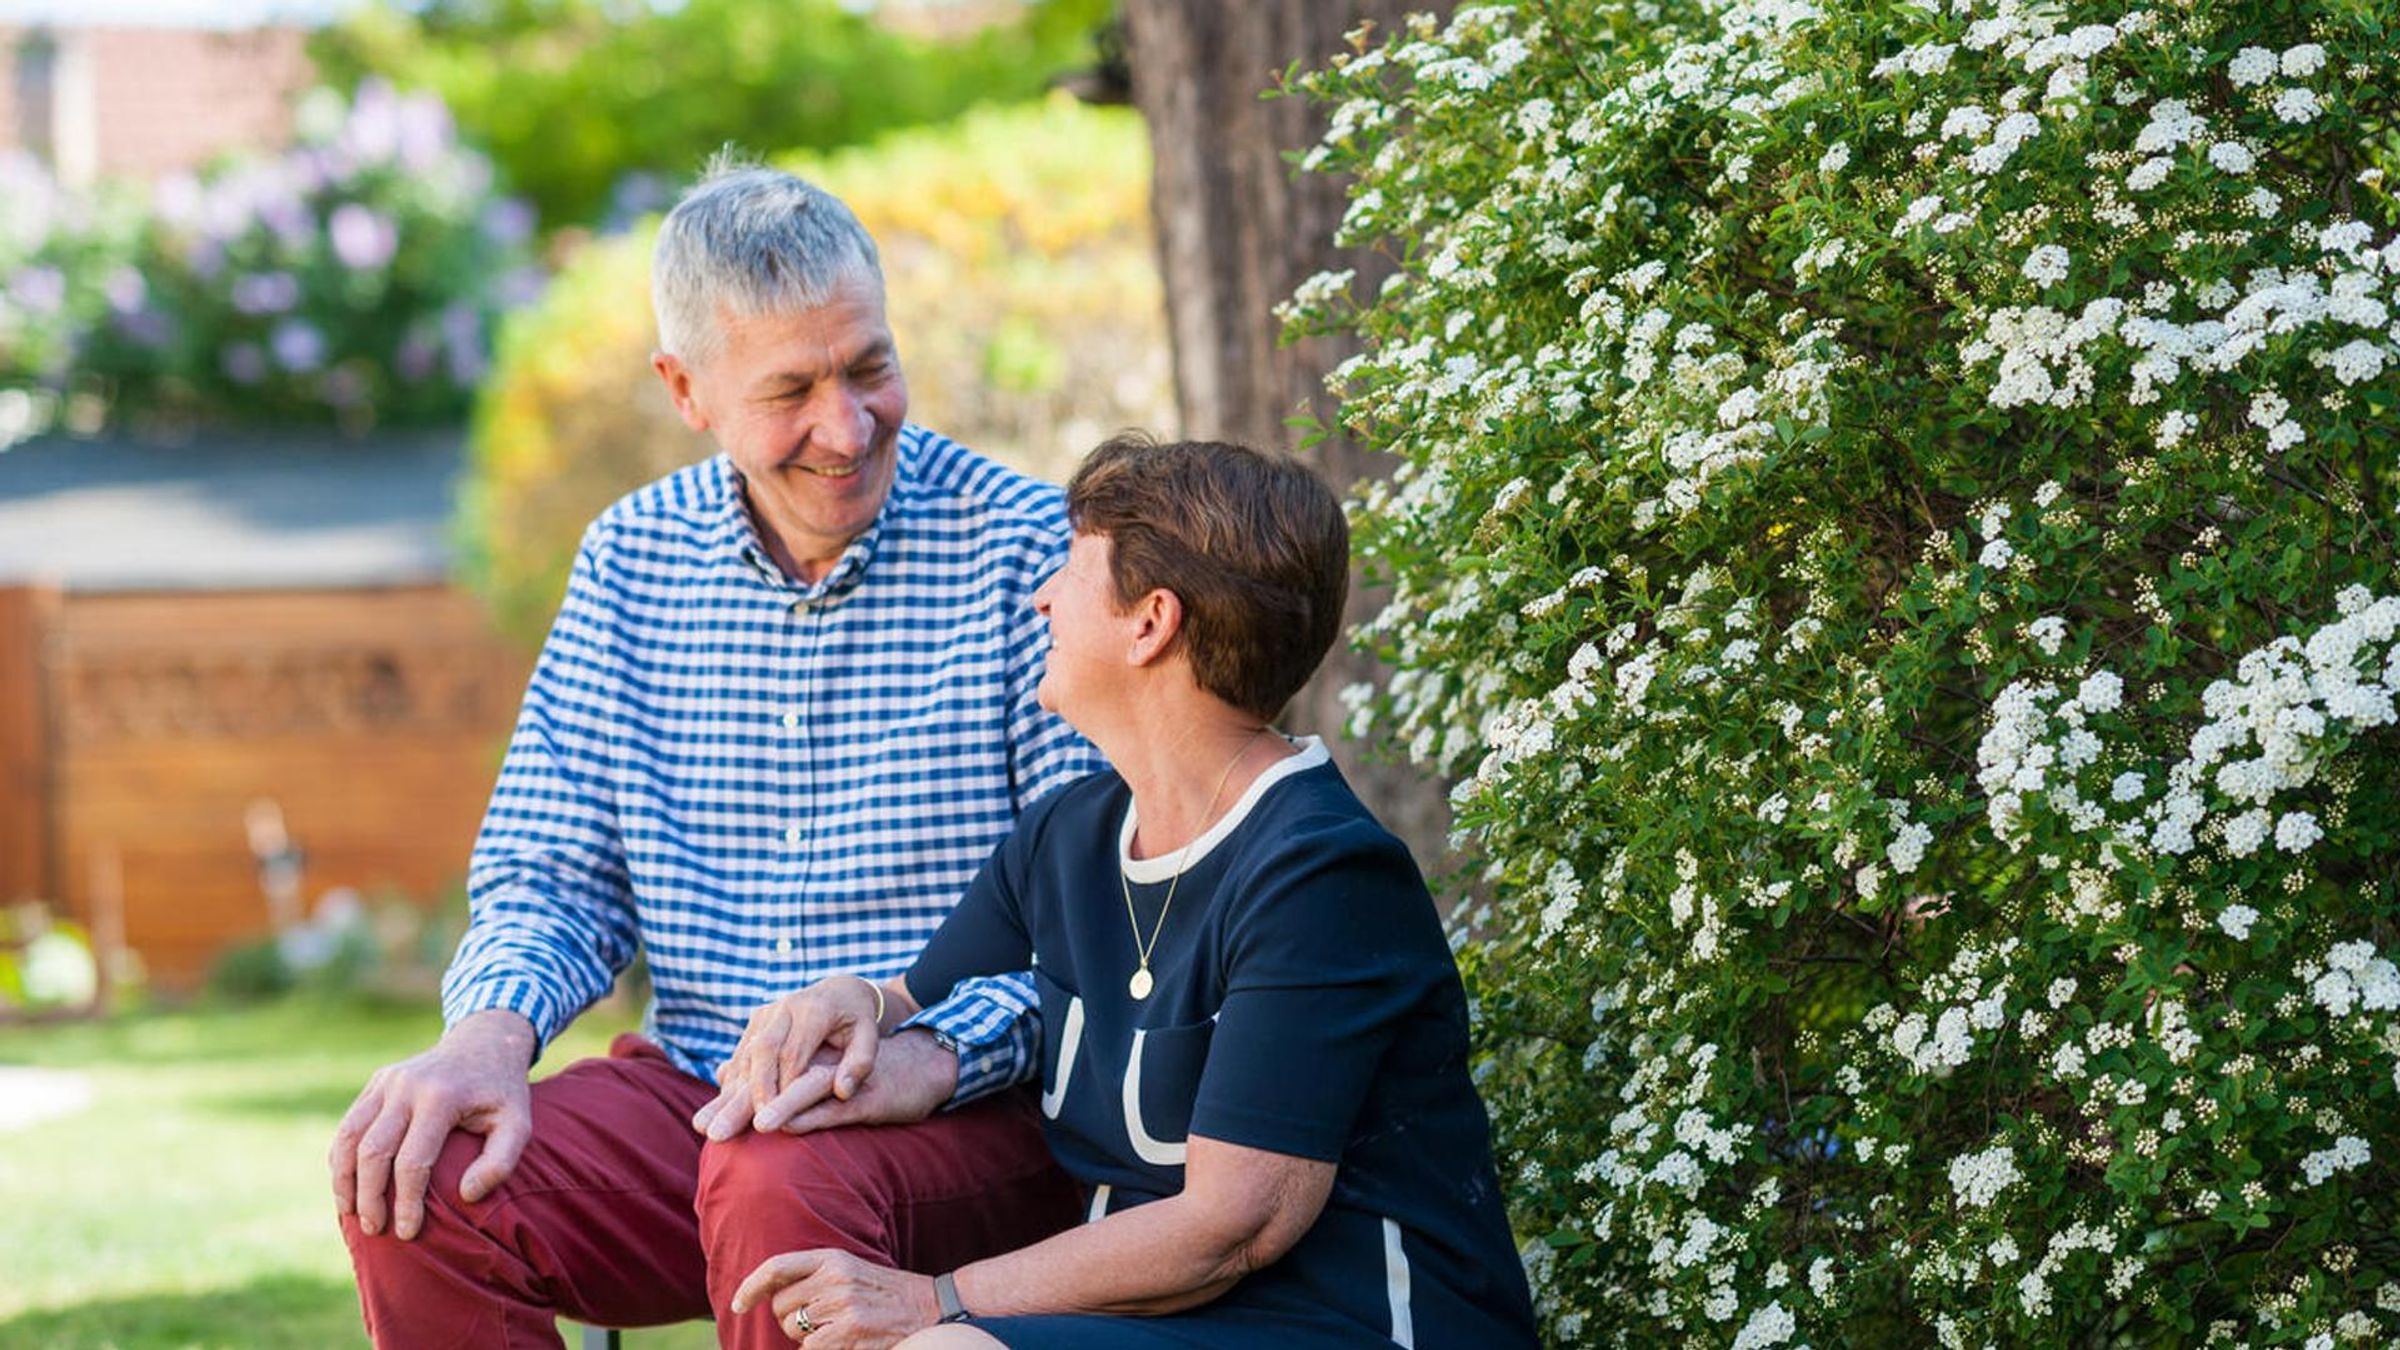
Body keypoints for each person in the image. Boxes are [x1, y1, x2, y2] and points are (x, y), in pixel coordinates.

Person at [327, 160, 1101, 1348]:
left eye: (869, 368)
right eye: (791, 390)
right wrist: (488, 1034)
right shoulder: (631, 559)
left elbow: (1098, 919)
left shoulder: (1024, 548)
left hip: (969, 1110)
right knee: (416, 1179)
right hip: (700, 1094)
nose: (846, 428)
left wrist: (929, 1050)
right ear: (685, 388)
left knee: (778, 1181)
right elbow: (550, 873)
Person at [723, 435, 1542, 1349]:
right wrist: (852, 1006)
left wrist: (935, 1297)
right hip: (1147, 1317)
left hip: (1347, 1320)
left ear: (1151, 622)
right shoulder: (1071, 834)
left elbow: (1233, 1228)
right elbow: (918, 995)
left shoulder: (1322, 876)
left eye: (1071, 569)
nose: (1040, 598)